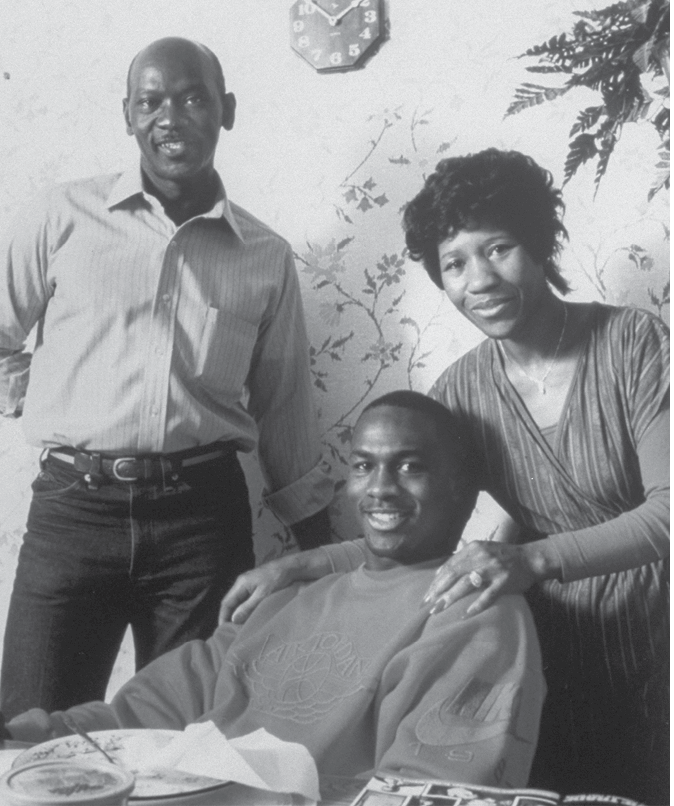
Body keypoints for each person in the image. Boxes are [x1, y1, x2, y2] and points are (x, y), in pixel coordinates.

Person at [219, 150, 670, 804]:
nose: (478, 279)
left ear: (539, 244)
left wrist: (531, 556)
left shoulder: (632, 342)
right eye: (454, 263)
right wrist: (300, 567)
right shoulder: (460, 392)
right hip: (551, 650)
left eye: (498, 248)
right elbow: (424, 540)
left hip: (657, 635)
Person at [0, 37, 333, 720]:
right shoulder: (61, 216)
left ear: (225, 110)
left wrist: (328, 550)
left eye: (192, 98)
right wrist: (54, 405)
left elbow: (283, 407)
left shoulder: (265, 256)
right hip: (72, 513)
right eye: (151, 101)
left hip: (202, 523)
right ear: (128, 117)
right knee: (35, 737)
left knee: (187, 738)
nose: (171, 117)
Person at [0, 392, 545, 787]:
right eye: (363, 466)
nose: (379, 489)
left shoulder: (475, 612)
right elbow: (133, 720)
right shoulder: (287, 594)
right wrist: (10, 733)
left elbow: (433, 789)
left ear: (463, 490)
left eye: (410, 468)